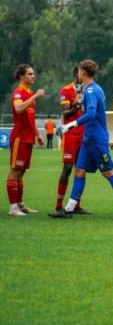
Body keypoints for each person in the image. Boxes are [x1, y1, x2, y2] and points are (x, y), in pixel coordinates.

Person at [50, 60, 113, 220]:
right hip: (88, 139)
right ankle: (68, 210)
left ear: (82, 73)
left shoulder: (90, 91)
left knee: (109, 172)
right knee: (80, 171)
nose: (77, 74)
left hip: (96, 139)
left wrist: (68, 126)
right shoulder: (93, 89)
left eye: (79, 72)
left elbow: (90, 114)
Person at [6, 64, 44, 216]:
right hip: (19, 137)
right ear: (21, 76)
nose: (33, 76)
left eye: (33, 74)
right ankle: (12, 207)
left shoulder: (29, 92)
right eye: (29, 74)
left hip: (28, 138)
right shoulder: (18, 93)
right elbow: (18, 109)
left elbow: (30, 117)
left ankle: (20, 204)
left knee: (21, 172)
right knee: (15, 170)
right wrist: (35, 96)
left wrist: (38, 134)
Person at [53, 66, 90, 214]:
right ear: (77, 74)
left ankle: (76, 205)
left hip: (84, 134)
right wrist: (75, 106)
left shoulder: (89, 90)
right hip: (71, 134)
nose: (84, 75)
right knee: (67, 168)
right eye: (83, 73)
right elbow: (65, 114)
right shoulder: (66, 90)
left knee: (81, 169)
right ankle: (58, 205)